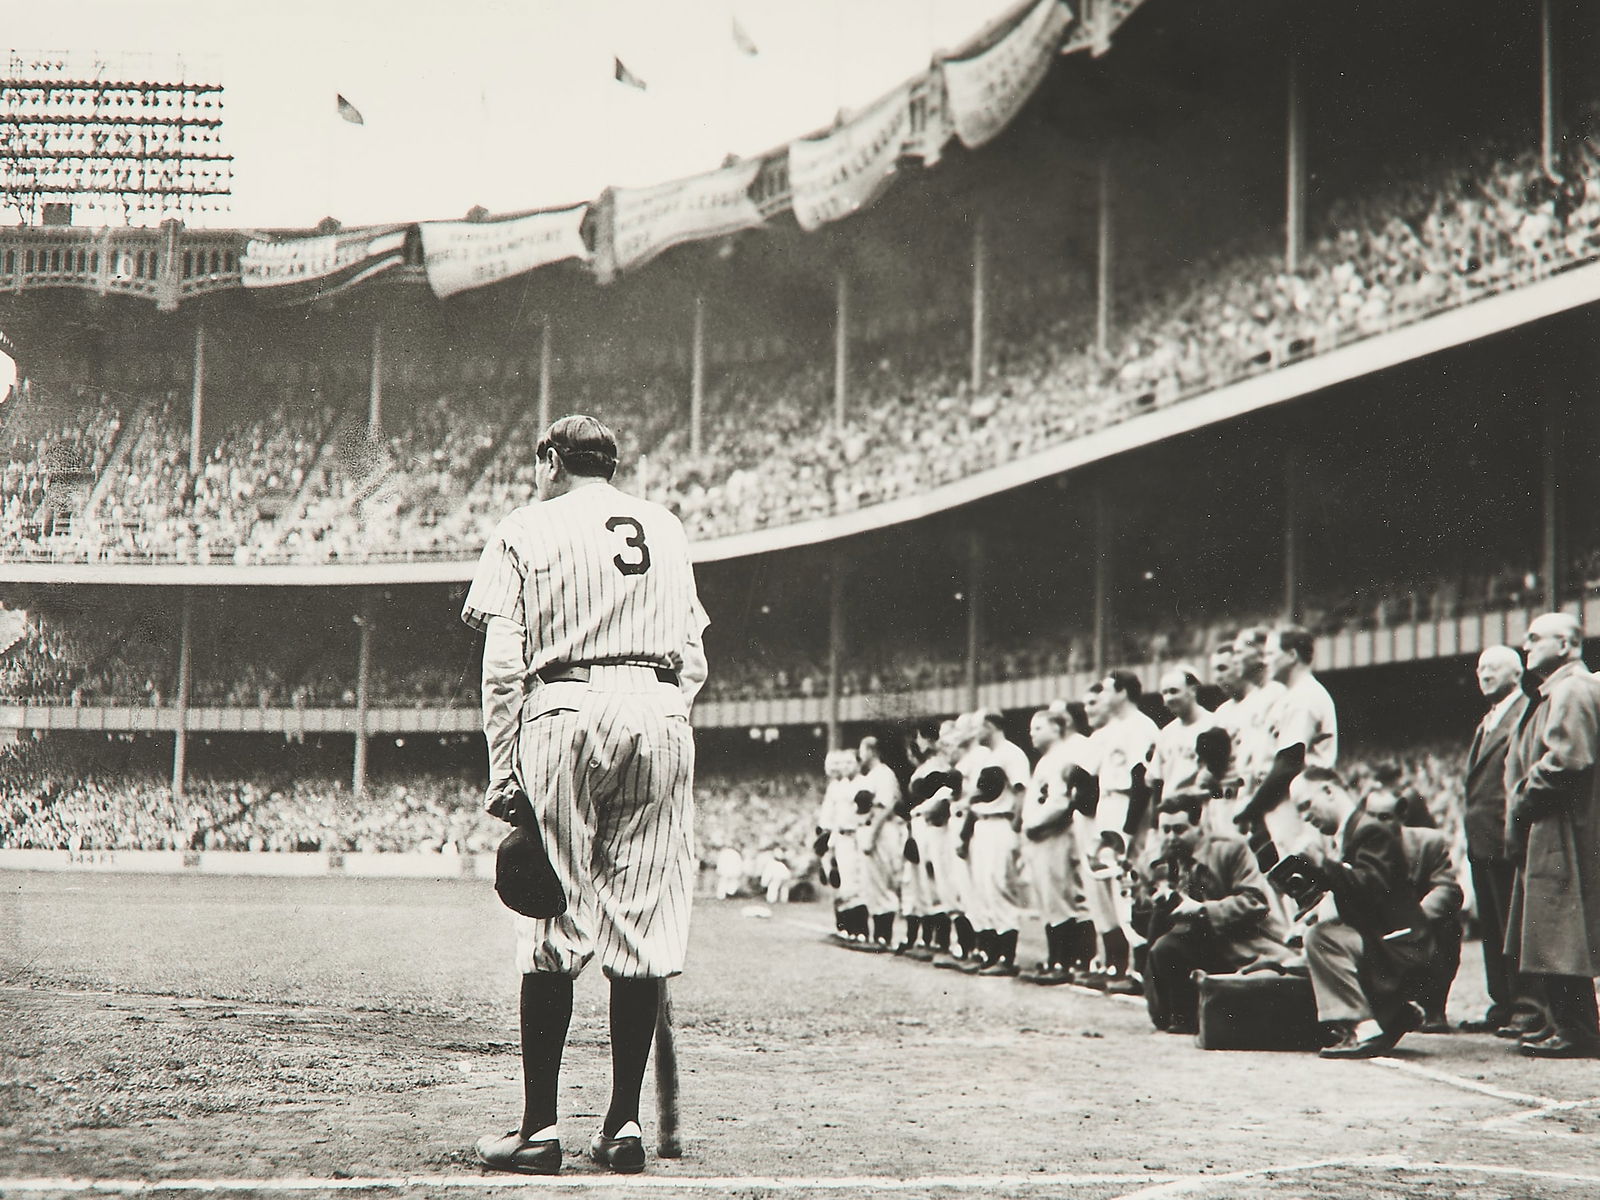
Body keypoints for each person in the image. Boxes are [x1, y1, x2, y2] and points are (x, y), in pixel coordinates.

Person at [465, 415, 709, 1176]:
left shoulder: (524, 526)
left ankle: (540, 1131)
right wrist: (661, 715)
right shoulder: (665, 526)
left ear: (550, 459)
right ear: (612, 463)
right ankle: (624, 1126)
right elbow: (695, 658)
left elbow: (504, 664)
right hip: (661, 711)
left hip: (564, 706)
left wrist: (507, 770)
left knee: (553, 922)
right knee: (641, 927)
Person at [1503, 612, 1600, 1059]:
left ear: (1566, 644)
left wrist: (1523, 794)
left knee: (1561, 925)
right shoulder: (1559, 691)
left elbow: (1567, 761)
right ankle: (1568, 1022)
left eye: (1535, 637)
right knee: (1556, 925)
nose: (1526, 644)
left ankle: (1576, 1028)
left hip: (1561, 823)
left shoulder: (1572, 689)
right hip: (1556, 822)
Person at [1293, 767, 1432, 1059]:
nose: (1305, 816)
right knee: (1318, 933)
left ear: (1329, 791)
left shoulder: (1371, 829)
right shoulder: (1353, 832)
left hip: (1398, 945)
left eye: (1306, 805)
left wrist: (1322, 865)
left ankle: (1365, 1028)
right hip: (1388, 939)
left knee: (1322, 939)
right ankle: (1395, 1013)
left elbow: (1371, 888)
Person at [1142, 794, 1291, 1034]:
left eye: (1179, 830)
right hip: (1199, 941)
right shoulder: (1163, 856)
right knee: (1163, 955)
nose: (1171, 837)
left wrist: (1202, 909)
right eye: (1165, 830)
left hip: (1241, 941)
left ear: (1198, 825)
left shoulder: (1230, 848)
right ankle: (1184, 1015)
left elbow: (1255, 901)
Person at [1460, 646, 1534, 1033]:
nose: (1483, 673)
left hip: (1506, 837)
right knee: (1492, 924)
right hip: (1482, 839)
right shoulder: (1490, 719)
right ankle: (1503, 1002)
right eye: (1480, 667)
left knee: (1511, 922)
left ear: (1516, 673)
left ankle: (1524, 1004)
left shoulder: (1525, 713)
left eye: (1492, 667)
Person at [1363, 790, 1464, 1033]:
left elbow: (1448, 888)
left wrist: (1416, 918)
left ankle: (1434, 1008)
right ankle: (1385, 1010)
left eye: (1385, 817)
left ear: (1400, 817)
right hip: (1379, 929)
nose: (1378, 824)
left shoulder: (1428, 843)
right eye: (1371, 817)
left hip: (1419, 927)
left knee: (1448, 926)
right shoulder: (1357, 846)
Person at [1019, 704, 1096, 984]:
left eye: (1038, 727)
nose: (1032, 734)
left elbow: (1062, 801)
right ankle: (1056, 959)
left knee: (1061, 899)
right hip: (1041, 836)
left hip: (1054, 833)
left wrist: (1036, 825)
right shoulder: (1046, 759)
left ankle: (1066, 962)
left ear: (1057, 727)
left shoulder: (1066, 754)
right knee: (1048, 900)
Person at [965, 711, 1030, 976]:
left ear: (990, 726)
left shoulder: (1011, 753)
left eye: (978, 727)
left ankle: (1007, 957)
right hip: (983, 824)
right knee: (985, 889)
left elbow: (1021, 791)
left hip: (1001, 823)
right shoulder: (988, 756)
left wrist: (1015, 828)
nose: (974, 733)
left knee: (1000, 885)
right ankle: (991, 953)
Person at [855, 735, 905, 951]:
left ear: (871, 751)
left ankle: (885, 936)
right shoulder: (871, 775)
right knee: (871, 883)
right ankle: (879, 936)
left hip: (882, 831)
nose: (860, 754)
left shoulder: (884, 774)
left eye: (862, 750)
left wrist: (872, 836)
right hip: (871, 827)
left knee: (882, 881)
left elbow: (885, 807)